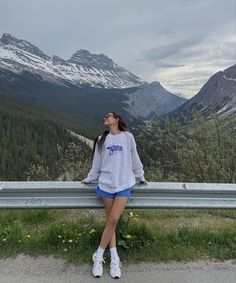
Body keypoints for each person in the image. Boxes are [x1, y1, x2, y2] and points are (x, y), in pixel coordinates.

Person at [81, 111, 147, 279]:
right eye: (104, 117)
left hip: (123, 184)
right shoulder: (101, 139)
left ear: (117, 119)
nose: (105, 118)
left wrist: (140, 176)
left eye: (109, 116)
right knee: (111, 222)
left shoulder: (128, 137)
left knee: (113, 219)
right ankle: (115, 259)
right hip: (106, 185)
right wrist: (90, 179)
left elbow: (134, 157)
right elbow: (96, 163)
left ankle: (98, 255)